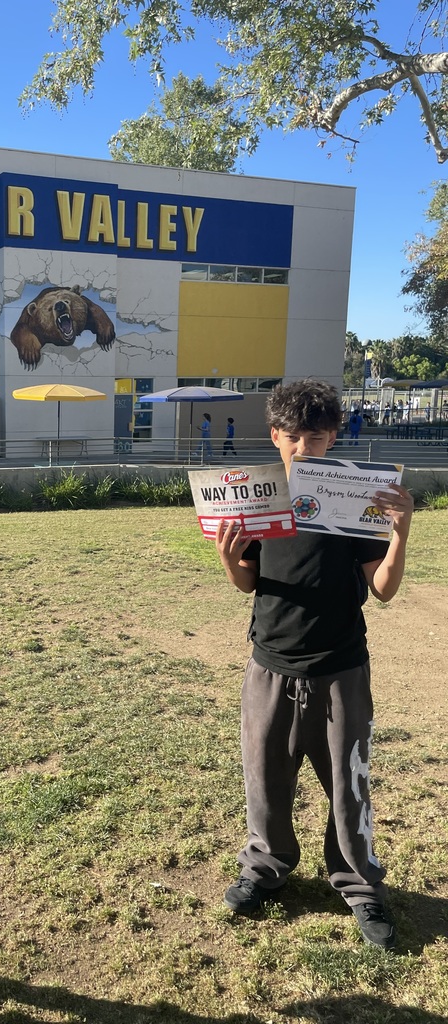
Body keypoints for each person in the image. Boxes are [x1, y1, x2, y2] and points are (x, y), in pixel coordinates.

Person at [215, 379, 413, 950]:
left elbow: (383, 589)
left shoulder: (355, 495)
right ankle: (266, 865)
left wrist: (400, 532)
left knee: (349, 784)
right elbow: (248, 582)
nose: (304, 448)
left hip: (341, 667)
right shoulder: (254, 495)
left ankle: (359, 883)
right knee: (265, 777)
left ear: (334, 438)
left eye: (317, 437)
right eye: (293, 436)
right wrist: (230, 561)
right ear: (275, 435)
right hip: (270, 664)